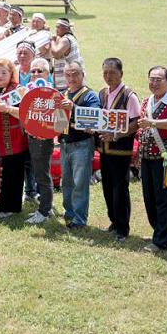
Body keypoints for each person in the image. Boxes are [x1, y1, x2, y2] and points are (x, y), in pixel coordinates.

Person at [136, 66, 167, 252]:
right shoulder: (147, 101)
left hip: (164, 159)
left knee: (164, 199)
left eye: (159, 79)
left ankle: (162, 240)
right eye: (152, 79)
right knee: (149, 197)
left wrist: (152, 123)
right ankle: (159, 231)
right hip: (147, 157)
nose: (154, 83)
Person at [96, 58, 140, 241]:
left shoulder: (129, 96)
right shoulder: (102, 93)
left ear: (121, 73)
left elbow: (136, 122)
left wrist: (115, 135)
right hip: (104, 150)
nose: (108, 76)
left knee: (120, 188)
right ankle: (114, 221)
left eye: (112, 73)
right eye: (105, 73)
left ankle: (122, 228)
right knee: (107, 186)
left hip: (120, 151)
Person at [57, 61, 101, 229]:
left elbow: (95, 119)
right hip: (64, 143)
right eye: (68, 75)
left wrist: (73, 107)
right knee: (66, 182)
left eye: (75, 74)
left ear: (83, 74)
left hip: (82, 144)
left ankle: (79, 219)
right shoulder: (62, 94)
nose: (71, 78)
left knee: (80, 183)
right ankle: (69, 213)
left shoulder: (90, 95)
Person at [0, 59, 28, 217]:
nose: (0, 75)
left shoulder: (18, 90)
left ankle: (11, 207)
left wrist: (8, 109)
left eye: (4, 72)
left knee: (12, 173)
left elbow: (26, 113)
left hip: (13, 140)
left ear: (11, 74)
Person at [25, 58, 57, 225]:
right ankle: (46, 207)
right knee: (39, 174)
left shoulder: (51, 92)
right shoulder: (28, 90)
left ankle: (45, 211)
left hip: (43, 139)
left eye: (40, 71)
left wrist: (47, 133)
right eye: (33, 71)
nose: (36, 74)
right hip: (31, 137)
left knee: (42, 175)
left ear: (47, 73)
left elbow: (58, 118)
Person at [50, 17, 83, 92]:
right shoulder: (69, 38)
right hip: (69, 81)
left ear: (66, 28)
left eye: (58, 27)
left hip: (68, 82)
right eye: (56, 27)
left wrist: (52, 40)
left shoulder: (66, 40)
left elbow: (56, 53)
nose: (56, 29)